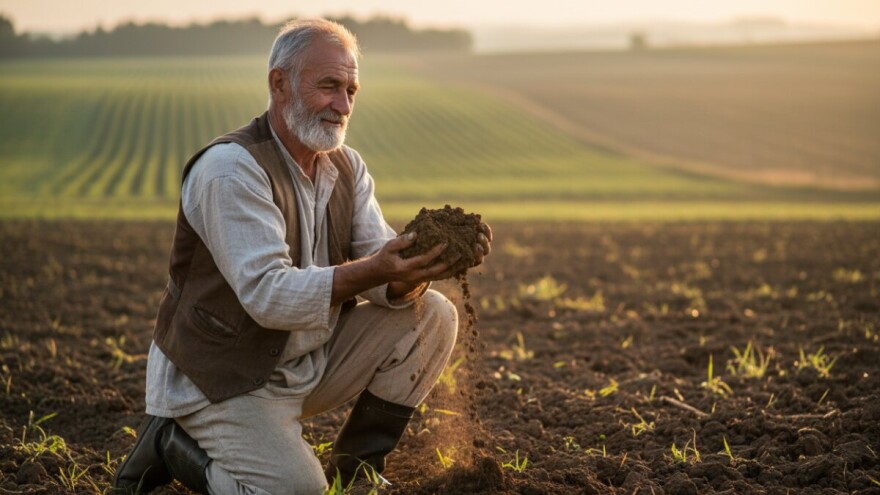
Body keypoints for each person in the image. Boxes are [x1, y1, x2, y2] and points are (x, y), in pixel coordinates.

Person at [113, 18, 492, 495]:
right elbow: (268, 294)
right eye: (329, 86)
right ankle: (171, 443)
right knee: (296, 492)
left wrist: (419, 267)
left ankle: (357, 469)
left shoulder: (346, 165)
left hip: (302, 364)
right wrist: (377, 268)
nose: (343, 104)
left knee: (433, 312)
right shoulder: (230, 170)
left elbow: (378, 263)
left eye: (352, 89)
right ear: (279, 83)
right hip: (223, 381)